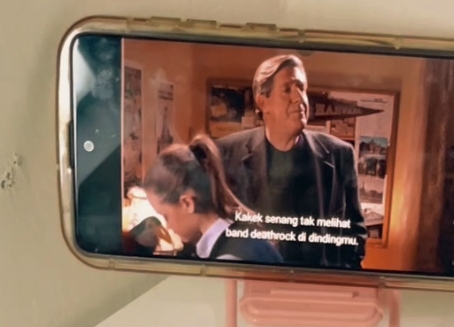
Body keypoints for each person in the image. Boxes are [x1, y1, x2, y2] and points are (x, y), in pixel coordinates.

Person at [216, 54, 367, 269]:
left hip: (319, 287)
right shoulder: (225, 154)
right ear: (263, 102)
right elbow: (218, 228)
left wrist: (340, 279)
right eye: (287, 89)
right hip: (251, 284)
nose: (299, 98)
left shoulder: (339, 154)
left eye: (302, 88)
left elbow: (355, 234)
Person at [143, 136, 282, 264]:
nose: (167, 227)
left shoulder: (229, 260)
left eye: (165, 216)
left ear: (187, 203)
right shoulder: (241, 230)